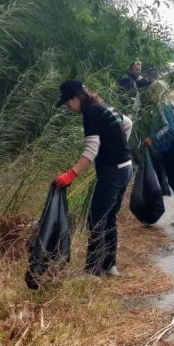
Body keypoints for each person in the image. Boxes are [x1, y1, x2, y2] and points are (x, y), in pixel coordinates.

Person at [55, 80, 133, 277]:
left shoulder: (90, 113)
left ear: (75, 98)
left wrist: (71, 174)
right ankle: (110, 265)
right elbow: (128, 123)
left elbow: (91, 149)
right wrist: (119, 148)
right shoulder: (103, 106)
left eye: (67, 103)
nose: (68, 107)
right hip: (126, 168)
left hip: (113, 172)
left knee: (96, 220)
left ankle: (92, 272)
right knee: (109, 219)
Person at [140, 82, 174, 228]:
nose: (150, 97)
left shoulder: (162, 106)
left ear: (156, 93)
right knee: (173, 182)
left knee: (156, 181)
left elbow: (168, 127)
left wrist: (152, 138)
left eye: (151, 93)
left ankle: (151, 216)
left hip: (167, 151)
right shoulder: (173, 105)